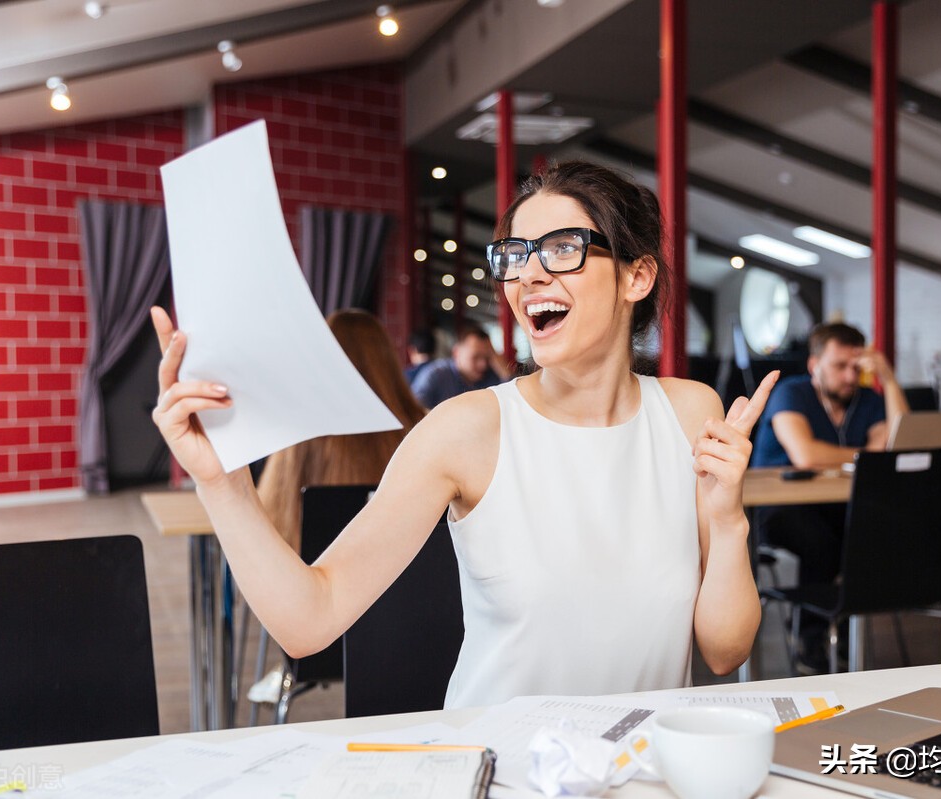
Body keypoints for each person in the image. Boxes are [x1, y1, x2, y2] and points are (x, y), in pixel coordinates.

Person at [150, 159, 778, 708]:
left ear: (636, 278)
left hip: (641, 771)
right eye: (514, 255)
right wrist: (221, 480)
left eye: (562, 248)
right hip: (502, 772)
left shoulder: (692, 412)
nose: (528, 276)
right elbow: (310, 619)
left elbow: (725, 653)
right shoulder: (467, 428)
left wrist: (727, 522)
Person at [751, 321, 907, 673]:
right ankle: (816, 633)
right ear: (814, 365)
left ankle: (839, 626)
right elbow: (805, 454)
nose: (850, 376)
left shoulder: (867, 400)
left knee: (861, 533)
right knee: (824, 542)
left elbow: (897, 443)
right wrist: (865, 451)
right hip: (778, 507)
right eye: (840, 366)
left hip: (836, 504)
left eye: (857, 367)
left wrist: (889, 378)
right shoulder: (791, 392)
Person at [258, 309, 428, 552]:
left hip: (307, 574)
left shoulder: (300, 431)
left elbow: (275, 515)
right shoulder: (421, 428)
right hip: (408, 578)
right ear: (387, 360)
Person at [409, 325, 509, 408]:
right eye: (476, 357)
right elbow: (414, 410)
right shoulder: (436, 374)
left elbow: (514, 403)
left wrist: (503, 370)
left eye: (487, 357)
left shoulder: (492, 376)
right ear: (456, 352)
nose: (483, 364)